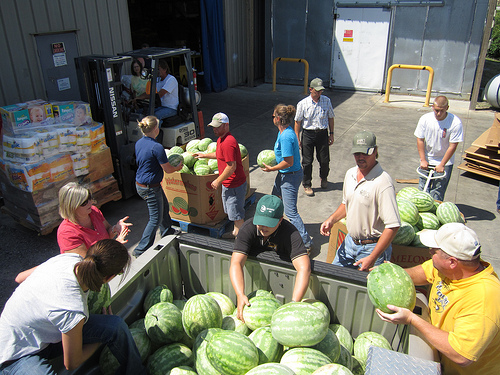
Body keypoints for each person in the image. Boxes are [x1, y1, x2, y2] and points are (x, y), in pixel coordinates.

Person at [0, 239, 146, 374]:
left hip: (44, 335)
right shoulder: (72, 308)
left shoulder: (68, 258)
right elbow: (72, 363)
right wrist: (100, 339)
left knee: (115, 326)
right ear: (109, 278)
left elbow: (20, 277)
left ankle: (136, 371)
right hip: (14, 354)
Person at [376, 223, 500, 375]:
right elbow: (423, 271)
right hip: (440, 359)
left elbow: (461, 354)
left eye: (434, 251)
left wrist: (412, 319)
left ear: (452, 262)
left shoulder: (484, 298)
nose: (429, 252)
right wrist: (393, 274)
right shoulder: (448, 270)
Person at [319, 130, 400, 271]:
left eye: (365, 153)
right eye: (357, 153)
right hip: (350, 242)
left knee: (364, 290)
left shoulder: (383, 182)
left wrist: (373, 257)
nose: (361, 157)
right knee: (332, 277)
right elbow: (346, 204)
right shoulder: (350, 174)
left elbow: (393, 226)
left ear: (375, 151)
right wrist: (331, 220)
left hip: (371, 247)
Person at [229, 195, 311, 320]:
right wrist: (240, 294)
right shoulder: (248, 228)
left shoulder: (291, 233)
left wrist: (294, 303)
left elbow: (304, 268)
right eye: (260, 222)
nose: (263, 227)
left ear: (280, 220)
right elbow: (236, 263)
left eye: (268, 224)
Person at [261, 104, 313, 250]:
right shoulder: (283, 132)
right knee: (274, 202)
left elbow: (288, 162)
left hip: (290, 176)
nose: (272, 118)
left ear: (278, 118)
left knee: (291, 212)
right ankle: (274, 234)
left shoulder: (286, 136)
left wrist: (272, 168)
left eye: (273, 116)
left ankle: (307, 243)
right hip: (284, 175)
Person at [134, 116, 182, 257]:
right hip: (149, 187)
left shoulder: (139, 143)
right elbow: (167, 169)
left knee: (165, 207)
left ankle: (168, 232)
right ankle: (141, 250)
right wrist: (177, 167)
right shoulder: (157, 147)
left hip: (142, 184)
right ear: (156, 129)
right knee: (155, 219)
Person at [194, 113, 247, 238]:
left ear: (226, 125)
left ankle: (241, 238)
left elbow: (231, 167)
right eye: (213, 127)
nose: (214, 129)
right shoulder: (221, 139)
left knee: (237, 214)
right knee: (232, 212)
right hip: (228, 183)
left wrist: (218, 180)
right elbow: (220, 155)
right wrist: (204, 155)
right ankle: (235, 232)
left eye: (217, 127)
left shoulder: (228, 142)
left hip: (235, 184)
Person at [57, 182, 132, 258]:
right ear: (72, 207)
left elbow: (107, 234)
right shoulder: (67, 233)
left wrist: (115, 228)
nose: (91, 202)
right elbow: (87, 263)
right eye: (84, 202)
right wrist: (115, 245)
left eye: (89, 198)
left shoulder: (93, 211)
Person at [414, 96, 463, 201]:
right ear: (432, 107)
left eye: (441, 111)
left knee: (437, 193)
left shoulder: (455, 123)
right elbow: (420, 140)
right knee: (422, 191)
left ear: (447, 108)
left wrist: (442, 164)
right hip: (427, 159)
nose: (438, 114)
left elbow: (453, 146)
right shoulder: (425, 119)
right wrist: (423, 159)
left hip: (444, 161)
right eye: (436, 110)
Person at [294, 78, 335, 196]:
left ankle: (324, 178)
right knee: (307, 161)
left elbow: (331, 117)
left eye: (321, 91)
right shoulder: (303, 103)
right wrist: (297, 138)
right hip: (308, 134)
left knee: (324, 160)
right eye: (317, 91)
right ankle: (307, 184)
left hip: (322, 133)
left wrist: (331, 133)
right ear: (310, 89)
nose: (319, 93)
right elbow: (298, 122)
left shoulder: (326, 101)